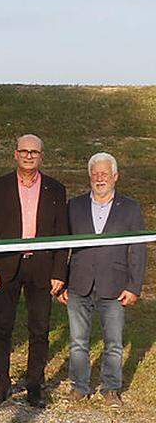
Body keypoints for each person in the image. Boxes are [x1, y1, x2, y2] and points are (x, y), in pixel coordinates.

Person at [0, 134, 68, 409]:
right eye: (24, 151)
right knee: (3, 327)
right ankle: (1, 384)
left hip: (41, 267)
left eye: (35, 152)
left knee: (40, 329)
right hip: (6, 265)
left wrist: (59, 272)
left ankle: (35, 386)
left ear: (42, 156)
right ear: (15, 154)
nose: (29, 156)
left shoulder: (56, 189)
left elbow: (62, 235)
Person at [59, 152, 146, 407]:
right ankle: (79, 386)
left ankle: (111, 389)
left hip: (115, 286)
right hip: (78, 284)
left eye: (104, 174)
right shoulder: (74, 206)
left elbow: (138, 249)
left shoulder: (130, 208)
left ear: (115, 177)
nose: (100, 179)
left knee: (114, 343)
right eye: (95, 174)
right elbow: (63, 246)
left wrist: (134, 286)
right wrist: (61, 282)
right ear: (89, 176)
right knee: (77, 342)